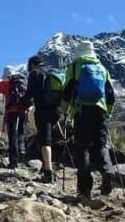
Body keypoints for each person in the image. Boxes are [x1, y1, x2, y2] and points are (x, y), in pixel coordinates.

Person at [62, 41, 116, 199]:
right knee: (101, 144)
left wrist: (65, 110)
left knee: (82, 148)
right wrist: (109, 112)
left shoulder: (74, 67)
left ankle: (85, 188)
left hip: (82, 111)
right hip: (100, 110)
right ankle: (107, 170)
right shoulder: (102, 68)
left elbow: (67, 91)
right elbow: (110, 94)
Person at [22, 55, 59, 183]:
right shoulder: (51, 72)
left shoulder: (34, 74)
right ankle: (46, 166)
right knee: (47, 139)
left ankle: (48, 173)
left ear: (32, 64)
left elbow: (29, 94)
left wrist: (22, 104)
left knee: (45, 141)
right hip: (56, 111)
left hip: (43, 111)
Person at [0, 66, 28, 168]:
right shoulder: (22, 82)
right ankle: (22, 152)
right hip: (23, 111)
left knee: (12, 135)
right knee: (21, 133)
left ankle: (13, 161)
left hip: (11, 111)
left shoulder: (4, 84)